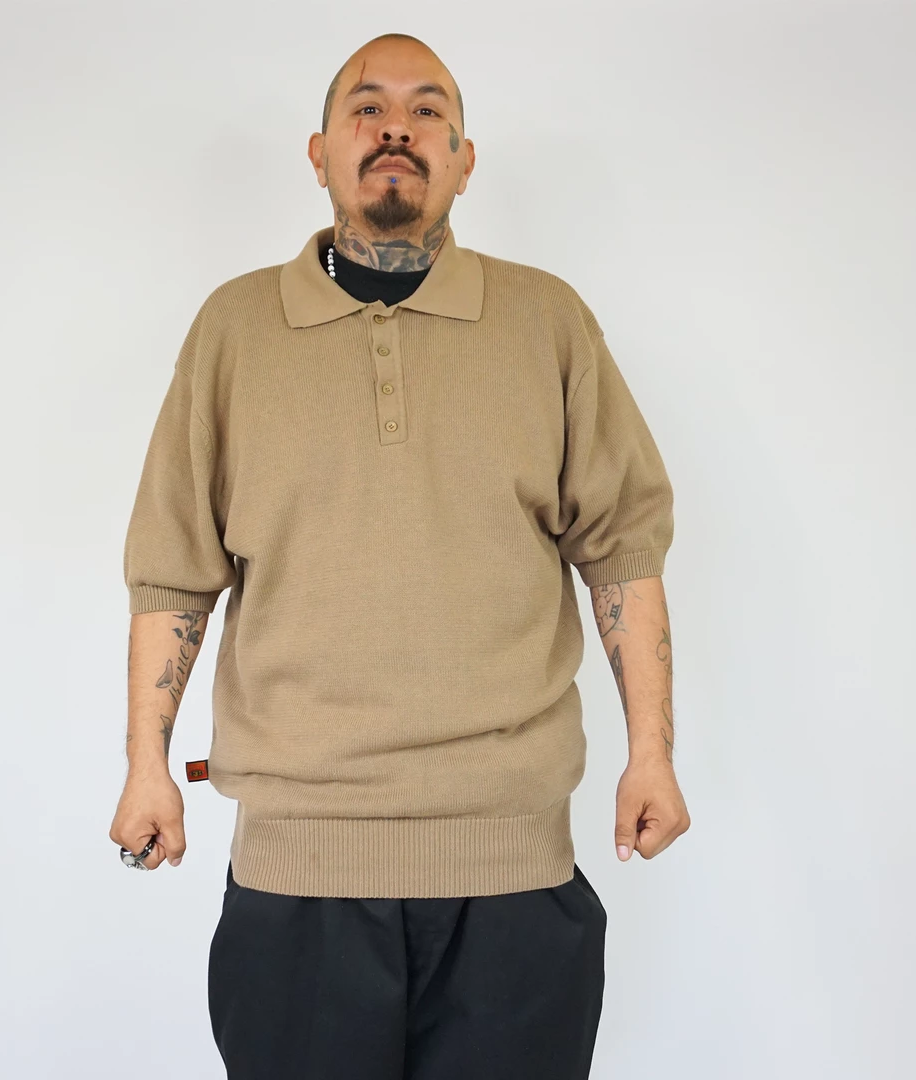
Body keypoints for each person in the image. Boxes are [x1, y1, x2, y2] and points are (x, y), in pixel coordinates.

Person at [110, 31, 690, 1080]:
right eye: (367, 107)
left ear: (464, 159)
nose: (397, 128)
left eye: (429, 111)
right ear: (321, 153)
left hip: (516, 879)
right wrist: (146, 765)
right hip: (297, 881)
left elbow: (622, 552)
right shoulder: (235, 330)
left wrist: (652, 753)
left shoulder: (548, 321)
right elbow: (175, 572)